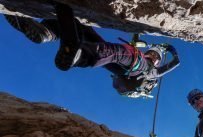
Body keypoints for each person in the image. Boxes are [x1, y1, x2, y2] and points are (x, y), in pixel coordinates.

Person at [3, 4, 179, 97]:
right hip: (120, 67)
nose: (153, 55)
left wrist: (169, 49)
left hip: (129, 63)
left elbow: (176, 62)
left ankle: (77, 56)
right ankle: (48, 32)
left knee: (113, 51)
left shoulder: (153, 72)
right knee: (87, 33)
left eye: (156, 56)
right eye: (153, 52)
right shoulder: (138, 54)